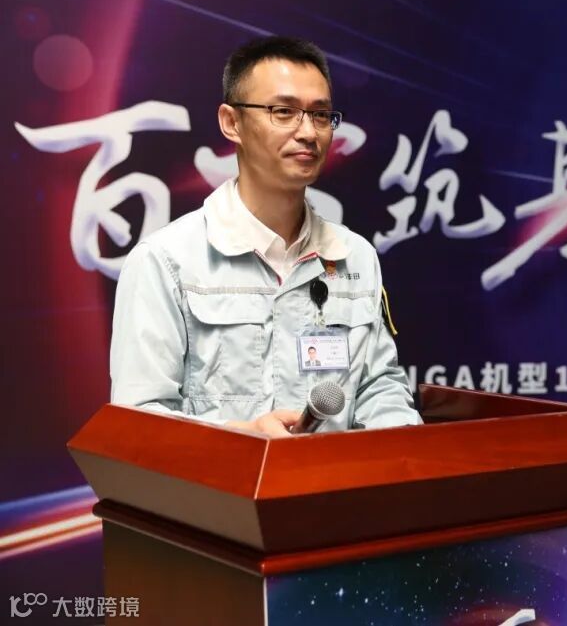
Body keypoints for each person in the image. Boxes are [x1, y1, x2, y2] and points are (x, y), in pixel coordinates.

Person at [110, 36, 421, 437]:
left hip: (334, 479)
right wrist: (246, 436)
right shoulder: (166, 260)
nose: (308, 132)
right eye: (284, 112)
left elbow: (379, 387)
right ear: (231, 122)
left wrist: (407, 447)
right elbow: (138, 423)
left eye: (320, 115)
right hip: (220, 480)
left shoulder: (354, 255)